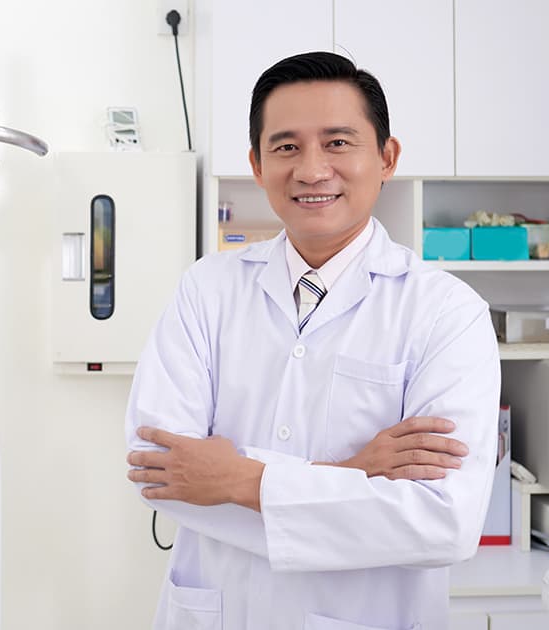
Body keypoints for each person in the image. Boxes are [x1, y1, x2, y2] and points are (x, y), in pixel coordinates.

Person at [124, 51, 501, 630]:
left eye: (338, 142)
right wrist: (352, 472)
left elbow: (442, 522)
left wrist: (237, 479)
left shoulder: (446, 312)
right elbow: (161, 473)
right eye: (286, 147)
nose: (311, 168)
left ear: (386, 157)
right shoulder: (207, 288)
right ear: (256, 164)